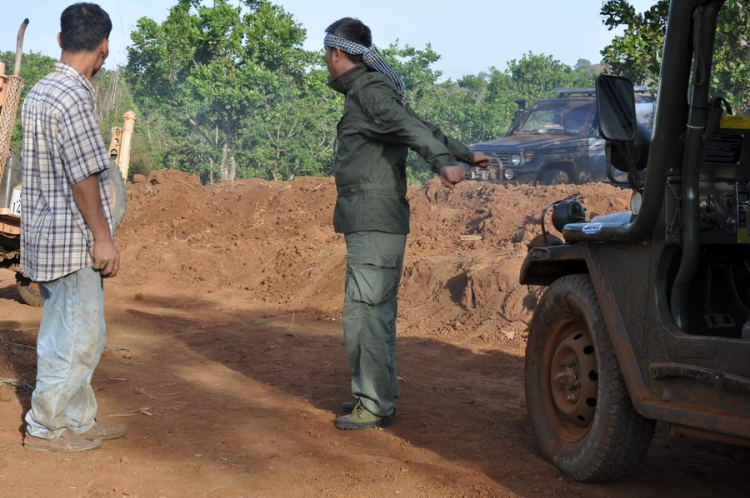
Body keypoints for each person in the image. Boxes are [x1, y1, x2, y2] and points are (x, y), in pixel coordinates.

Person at [323, 18, 491, 430]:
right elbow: (418, 124)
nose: (325, 62)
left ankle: (373, 404)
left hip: (373, 219)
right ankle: (377, 397)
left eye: (326, 55)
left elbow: (409, 126)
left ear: (337, 53)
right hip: (374, 219)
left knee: (364, 313)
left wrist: (444, 162)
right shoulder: (372, 91)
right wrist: (464, 153)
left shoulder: (367, 92)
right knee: (373, 312)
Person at [21, 2, 125, 452]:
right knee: (76, 338)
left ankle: (79, 419)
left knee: (75, 330)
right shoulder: (76, 96)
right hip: (73, 239)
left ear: (61, 40)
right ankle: (46, 429)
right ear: (103, 48)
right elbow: (84, 176)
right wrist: (104, 238)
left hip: (45, 233)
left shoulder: (41, 90)